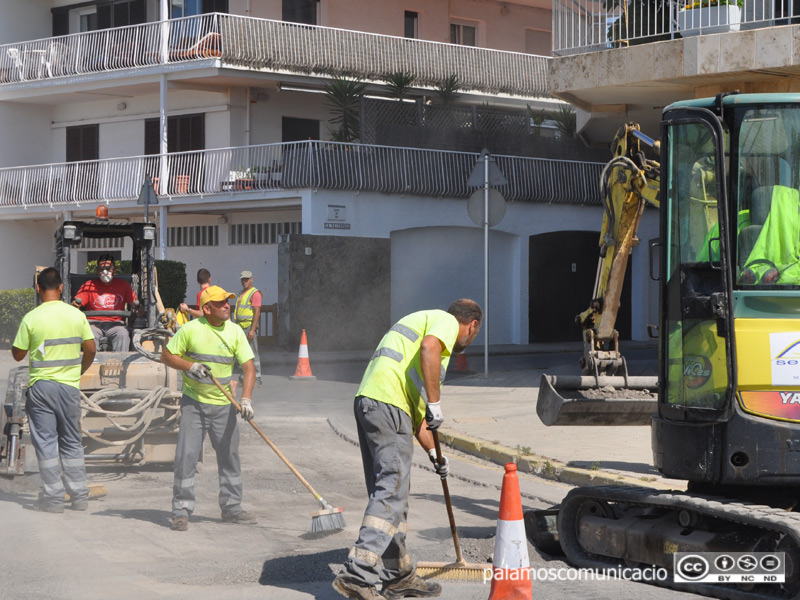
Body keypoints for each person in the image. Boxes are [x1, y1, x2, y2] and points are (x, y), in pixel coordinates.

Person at [333, 299, 482, 600]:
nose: (468, 339)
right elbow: (429, 347)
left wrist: (435, 454)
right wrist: (436, 402)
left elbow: (417, 419)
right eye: (472, 334)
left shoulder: (419, 331)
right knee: (392, 489)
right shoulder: (445, 324)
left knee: (390, 494)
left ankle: (398, 575)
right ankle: (357, 573)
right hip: (389, 405)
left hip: (372, 402)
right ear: (472, 325)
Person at [160, 285, 258, 531]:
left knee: (229, 457)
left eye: (228, 301)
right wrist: (190, 366)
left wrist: (246, 399)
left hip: (225, 406)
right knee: (186, 457)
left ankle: (232, 507)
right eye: (221, 302)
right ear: (206, 308)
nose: (227, 305)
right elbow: (167, 356)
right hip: (195, 404)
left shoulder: (235, 332)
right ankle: (181, 510)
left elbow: (249, 367)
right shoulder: (191, 330)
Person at [11, 267, 97, 513]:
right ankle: (79, 497)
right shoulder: (76, 315)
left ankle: (54, 499)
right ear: (61, 287)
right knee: (71, 441)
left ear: (38, 289)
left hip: (41, 388)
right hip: (69, 388)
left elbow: (18, 355)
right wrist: (79, 370)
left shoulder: (31, 317)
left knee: (47, 444)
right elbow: (91, 349)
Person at [72, 253, 140, 352]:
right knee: (89, 334)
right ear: (97, 270)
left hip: (116, 324)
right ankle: (92, 364)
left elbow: (135, 305)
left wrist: (138, 309)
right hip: (93, 324)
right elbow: (77, 303)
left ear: (114, 269)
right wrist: (75, 306)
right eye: (101, 269)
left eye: (108, 269)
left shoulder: (124, 286)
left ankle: (119, 362)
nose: (105, 272)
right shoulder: (89, 286)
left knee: (123, 334)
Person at [232, 270, 262, 387]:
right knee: (241, 353)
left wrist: (253, 329)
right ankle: (244, 377)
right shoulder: (241, 293)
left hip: (248, 326)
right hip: (240, 326)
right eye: (242, 279)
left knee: (253, 353)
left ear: (251, 280)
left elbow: (257, 312)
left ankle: (257, 378)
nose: (244, 281)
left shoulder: (255, 293)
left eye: (246, 279)